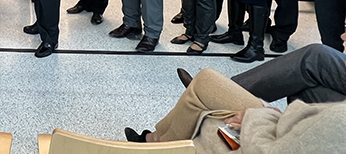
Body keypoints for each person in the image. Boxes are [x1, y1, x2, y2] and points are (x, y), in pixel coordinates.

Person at [123, 67, 346, 153]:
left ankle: (153, 145)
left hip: (281, 134)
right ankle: (153, 141)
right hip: (302, 123)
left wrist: (256, 118)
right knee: (316, 58)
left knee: (207, 113)